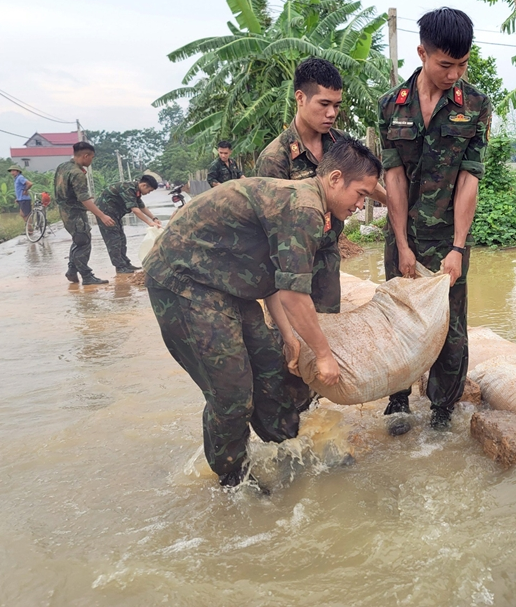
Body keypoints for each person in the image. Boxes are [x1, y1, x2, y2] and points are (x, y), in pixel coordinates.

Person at [144, 139, 381, 488]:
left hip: (227, 280)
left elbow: (273, 278)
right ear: (334, 179)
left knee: (272, 367)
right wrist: (324, 354)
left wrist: (288, 338)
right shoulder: (304, 209)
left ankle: (287, 448)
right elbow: (293, 293)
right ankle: (232, 480)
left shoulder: (305, 202)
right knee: (232, 393)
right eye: (361, 194)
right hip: (184, 282)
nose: (362, 205)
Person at [378, 7, 492, 434]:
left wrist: (458, 247)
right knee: (399, 317)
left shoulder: (476, 106)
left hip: (448, 235)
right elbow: (392, 177)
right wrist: (403, 245)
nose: (455, 74)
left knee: (451, 324)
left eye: (463, 64)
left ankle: (443, 412)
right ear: (422, 52)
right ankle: (398, 402)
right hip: (402, 234)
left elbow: (470, 177)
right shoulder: (391, 106)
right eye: (446, 64)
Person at [256, 57, 387, 314]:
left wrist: (396, 205)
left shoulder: (341, 143)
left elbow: (365, 185)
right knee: (293, 341)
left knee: (330, 332)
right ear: (300, 98)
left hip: (327, 259)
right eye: (324, 104)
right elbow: (269, 233)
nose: (331, 114)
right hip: (291, 267)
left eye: (337, 106)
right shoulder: (275, 159)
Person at [54, 142, 115, 285]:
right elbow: (84, 199)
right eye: (92, 158)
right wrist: (102, 215)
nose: (91, 161)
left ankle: (72, 270)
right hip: (75, 213)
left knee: (78, 240)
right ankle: (87, 277)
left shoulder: (62, 167)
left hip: (65, 210)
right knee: (84, 242)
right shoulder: (77, 173)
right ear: (85, 156)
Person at [95, 174, 161, 273]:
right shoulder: (127, 189)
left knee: (121, 238)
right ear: (144, 185)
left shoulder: (136, 190)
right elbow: (135, 210)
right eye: (149, 190)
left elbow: (141, 206)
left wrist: (154, 218)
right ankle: (120, 267)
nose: (148, 193)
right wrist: (149, 223)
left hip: (115, 214)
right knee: (114, 240)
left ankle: (125, 263)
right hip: (105, 214)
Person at [9, 164, 33, 230]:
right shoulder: (16, 179)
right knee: (23, 214)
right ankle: (29, 228)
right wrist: (18, 198)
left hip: (24, 199)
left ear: (18, 171)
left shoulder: (20, 178)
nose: (12, 173)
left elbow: (30, 183)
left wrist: (25, 190)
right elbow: (19, 189)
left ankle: (30, 229)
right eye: (11, 171)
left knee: (26, 214)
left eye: (13, 171)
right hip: (21, 199)